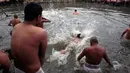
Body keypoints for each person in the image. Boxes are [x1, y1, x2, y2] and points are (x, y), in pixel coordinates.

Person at [11, 2, 48, 73]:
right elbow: (42, 57)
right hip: (33, 70)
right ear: (38, 17)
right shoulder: (41, 32)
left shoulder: (16, 27)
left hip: (17, 68)